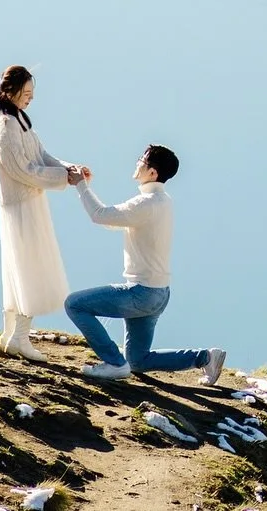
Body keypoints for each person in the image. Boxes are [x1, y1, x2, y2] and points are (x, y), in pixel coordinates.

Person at [63, 144, 225, 385]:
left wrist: (81, 185)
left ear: (152, 173)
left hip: (141, 293)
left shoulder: (147, 202)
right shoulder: (162, 200)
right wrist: (85, 186)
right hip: (159, 294)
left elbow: (100, 216)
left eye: (142, 159)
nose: (137, 161)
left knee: (74, 304)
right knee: (138, 360)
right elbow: (111, 220)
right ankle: (206, 357)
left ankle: (114, 364)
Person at [0, 64, 80, 362]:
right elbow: (22, 169)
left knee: (21, 265)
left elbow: (41, 155)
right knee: (28, 266)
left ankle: (12, 336)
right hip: (20, 205)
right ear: (10, 92)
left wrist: (69, 169)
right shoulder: (6, 126)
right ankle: (19, 336)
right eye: (26, 93)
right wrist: (63, 177)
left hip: (28, 202)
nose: (30, 98)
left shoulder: (19, 120)